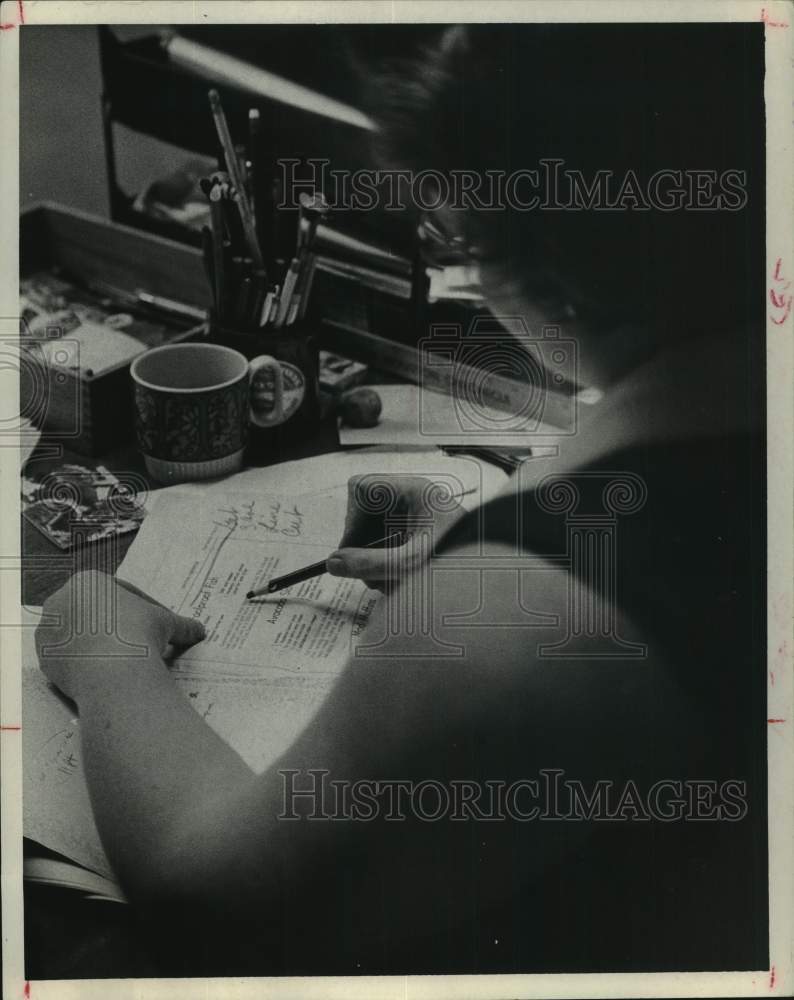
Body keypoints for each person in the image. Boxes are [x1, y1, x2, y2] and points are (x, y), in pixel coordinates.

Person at [36, 23, 766, 975]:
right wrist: (498, 548)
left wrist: (103, 653)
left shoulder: (527, 629)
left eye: (458, 241)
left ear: (538, 264)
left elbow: (211, 888)